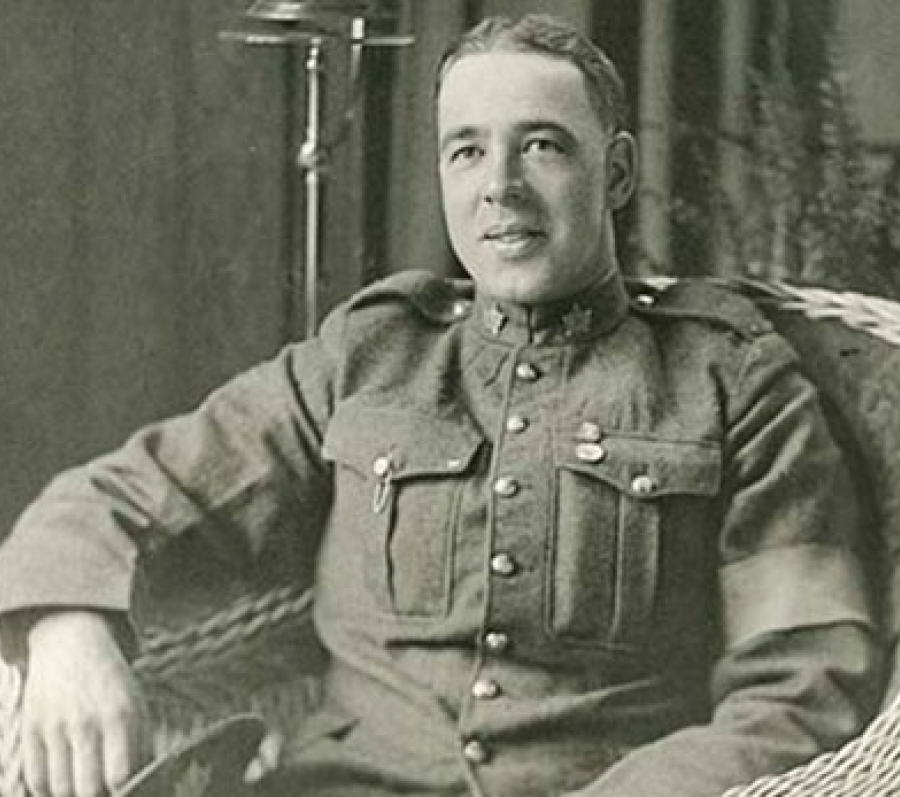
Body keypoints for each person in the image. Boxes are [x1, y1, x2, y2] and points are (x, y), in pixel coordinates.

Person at [0, 13, 884, 797]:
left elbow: (802, 681)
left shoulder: (730, 376)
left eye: (542, 145)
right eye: (467, 149)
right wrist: (66, 628)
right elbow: (124, 496)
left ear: (615, 173)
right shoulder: (374, 353)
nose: (499, 184)